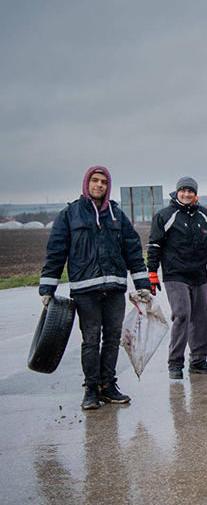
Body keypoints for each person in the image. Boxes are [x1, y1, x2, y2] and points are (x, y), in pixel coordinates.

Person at [39, 166, 151, 410]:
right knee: (91, 340)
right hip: (85, 290)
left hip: (114, 288)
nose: (99, 185)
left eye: (103, 182)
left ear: (107, 186)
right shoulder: (70, 215)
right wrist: (47, 288)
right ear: (86, 183)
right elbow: (56, 252)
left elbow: (132, 251)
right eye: (95, 180)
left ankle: (108, 386)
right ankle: (91, 389)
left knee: (112, 339)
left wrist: (142, 284)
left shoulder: (117, 216)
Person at [147, 177, 207, 380]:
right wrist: (151, 272)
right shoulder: (165, 216)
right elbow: (154, 246)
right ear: (177, 193)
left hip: (199, 275)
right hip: (175, 275)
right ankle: (175, 363)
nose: (186, 194)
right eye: (183, 190)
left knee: (200, 318)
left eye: (190, 191)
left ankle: (198, 362)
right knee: (182, 314)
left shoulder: (205, 216)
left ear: (195, 193)